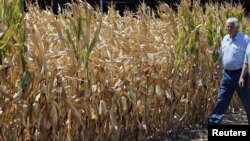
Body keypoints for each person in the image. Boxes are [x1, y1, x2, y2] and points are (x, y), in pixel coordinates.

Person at [207, 17, 250, 125]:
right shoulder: (225, 38)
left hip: (241, 75)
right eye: (227, 27)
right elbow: (221, 57)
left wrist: (243, 76)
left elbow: (248, 59)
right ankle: (214, 122)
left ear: (237, 27)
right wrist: (217, 70)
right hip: (226, 74)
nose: (229, 29)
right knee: (222, 99)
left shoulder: (245, 39)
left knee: (247, 100)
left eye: (231, 27)